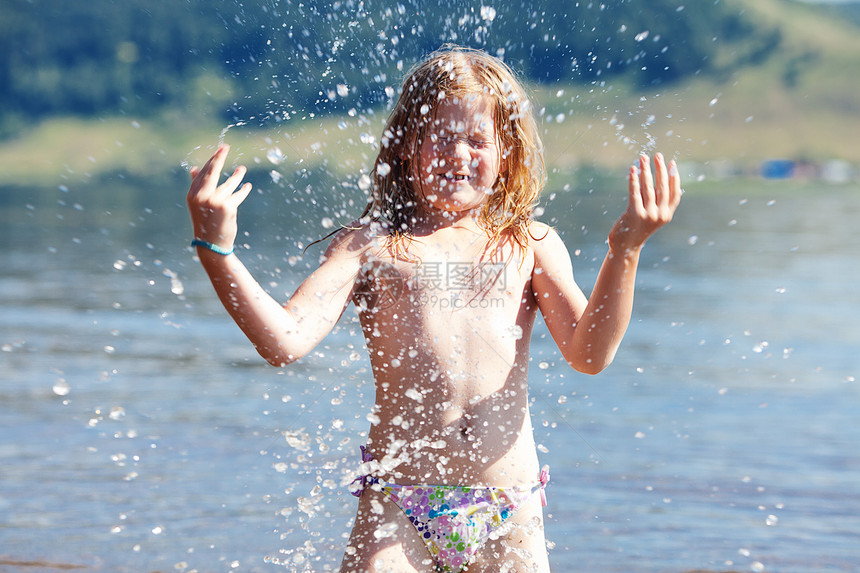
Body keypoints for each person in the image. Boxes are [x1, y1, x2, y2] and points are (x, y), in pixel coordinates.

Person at [186, 45, 681, 573]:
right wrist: (217, 251)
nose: (459, 154)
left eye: (476, 140)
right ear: (405, 147)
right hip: (399, 503)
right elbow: (283, 341)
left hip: (506, 505)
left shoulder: (528, 244)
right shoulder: (370, 246)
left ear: (507, 153)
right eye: (440, 137)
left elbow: (590, 353)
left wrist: (624, 251)